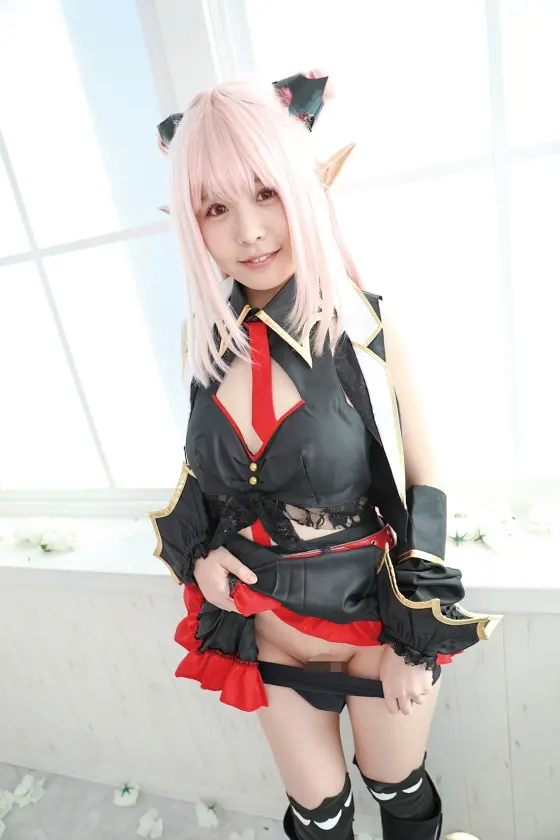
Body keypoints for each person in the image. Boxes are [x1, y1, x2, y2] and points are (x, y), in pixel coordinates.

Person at [150, 71, 502, 840]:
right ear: (192, 224)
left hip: (375, 620)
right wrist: (202, 558)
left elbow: (424, 482)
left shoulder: (366, 327)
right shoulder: (201, 342)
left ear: (304, 190)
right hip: (269, 622)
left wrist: (414, 631)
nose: (249, 231)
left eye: (265, 193)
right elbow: (209, 482)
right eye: (216, 207)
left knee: (397, 786)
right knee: (319, 812)